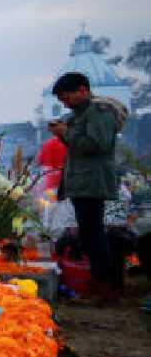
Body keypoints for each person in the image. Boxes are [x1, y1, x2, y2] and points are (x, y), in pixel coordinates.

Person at [50, 72, 121, 300]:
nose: (66, 103)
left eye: (67, 98)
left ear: (83, 90)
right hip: (81, 182)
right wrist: (64, 133)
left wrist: (66, 133)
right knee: (90, 233)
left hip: (92, 181)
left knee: (94, 233)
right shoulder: (81, 115)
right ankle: (101, 280)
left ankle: (105, 283)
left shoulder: (100, 113)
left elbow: (96, 145)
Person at [37, 119, 68, 191]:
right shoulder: (68, 143)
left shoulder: (46, 144)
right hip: (63, 178)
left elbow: (39, 161)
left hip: (49, 179)